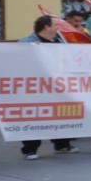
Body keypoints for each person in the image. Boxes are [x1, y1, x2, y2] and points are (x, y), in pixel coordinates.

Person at [19, 16, 76, 159]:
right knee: (34, 116)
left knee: (61, 114)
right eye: (56, 25)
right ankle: (30, 149)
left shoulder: (60, 41)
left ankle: (62, 144)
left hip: (58, 86)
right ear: (46, 27)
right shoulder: (26, 43)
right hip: (36, 87)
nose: (59, 28)